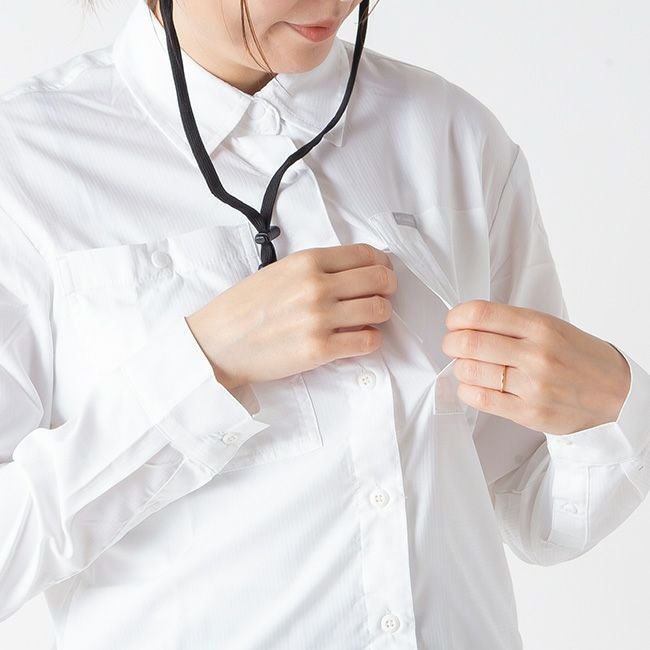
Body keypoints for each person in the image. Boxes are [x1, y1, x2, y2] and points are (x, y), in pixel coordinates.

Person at [0, 1, 648, 648]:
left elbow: (530, 509)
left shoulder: (453, 132)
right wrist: (202, 368)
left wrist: (618, 408)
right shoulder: (24, 163)